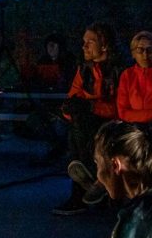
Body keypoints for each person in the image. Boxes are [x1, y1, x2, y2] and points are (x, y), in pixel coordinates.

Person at [53, 23, 123, 215]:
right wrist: (69, 109)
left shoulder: (119, 70)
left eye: (90, 42)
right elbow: (74, 95)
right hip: (86, 122)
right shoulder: (84, 69)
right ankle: (93, 181)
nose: (84, 46)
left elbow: (121, 106)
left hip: (113, 122)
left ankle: (83, 189)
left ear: (104, 45)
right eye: (84, 42)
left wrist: (91, 106)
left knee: (82, 127)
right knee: (76, 123)